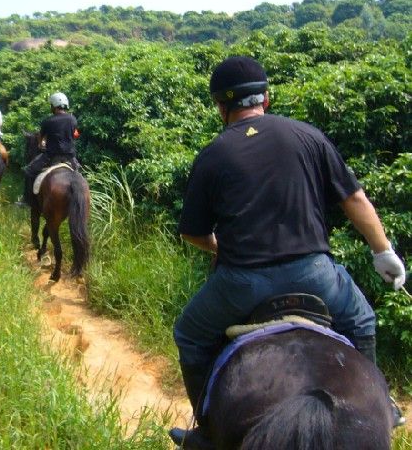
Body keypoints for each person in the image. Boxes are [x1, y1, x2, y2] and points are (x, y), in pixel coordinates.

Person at [174, 56, 407, 448]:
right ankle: (384, 404)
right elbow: (354, 199)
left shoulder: (213, 153)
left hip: (241, 282)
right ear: (266, 97)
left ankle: (204, 431)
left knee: (189, 335)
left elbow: (193, 233)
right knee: (363, 321)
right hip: (314, 273)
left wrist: (218, 247)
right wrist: (383, 251)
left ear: (221, 106)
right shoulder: (307, 135)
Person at [22, 92, 80, 206]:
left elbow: (40, 138)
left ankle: (27, 200)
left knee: (29, 172)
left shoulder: (48, 121)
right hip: (70, 157)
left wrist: (40, 145)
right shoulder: (73, 119)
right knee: (80, 175)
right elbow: (75, 135)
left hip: (51, 156)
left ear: (53, 105)